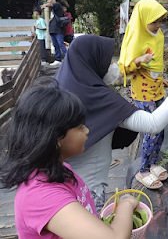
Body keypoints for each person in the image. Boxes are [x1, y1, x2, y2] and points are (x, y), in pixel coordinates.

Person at [54, 35, 168, 211]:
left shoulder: (62, 88)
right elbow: (153, 124)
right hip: (88, 193)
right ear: (92, 61)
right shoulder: (99, 98)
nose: (113, 65)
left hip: (62, 191)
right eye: (107, 61)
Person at [0, 84, 140, 239]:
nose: (87, 130)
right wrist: (125, 205)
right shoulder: (41, 198)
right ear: (56, 138)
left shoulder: (61, 168)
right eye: (80, 127)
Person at [118, 0, 168, 190]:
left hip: (156, 87)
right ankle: (143, 170)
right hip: (143, 93)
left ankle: (153, 163)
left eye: (161, 21)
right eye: (155, 21)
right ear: (143, 20)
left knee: (162, 126)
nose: (159, 25)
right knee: (151, 130)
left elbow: (156, 65)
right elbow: (125, 68)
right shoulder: (136, 37)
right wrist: (140, 59)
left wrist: (161, 79)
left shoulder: (157, 35)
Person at [40, 0, 67, 66]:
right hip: (52, 29)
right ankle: (58, 59)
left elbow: (52, 5)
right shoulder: (51, 10)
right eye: (47, 0)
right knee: (55, 45)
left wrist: (45, 5)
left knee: (61, 44)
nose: (48, 1)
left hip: (58, 29)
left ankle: (67, 58)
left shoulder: (57, 4)